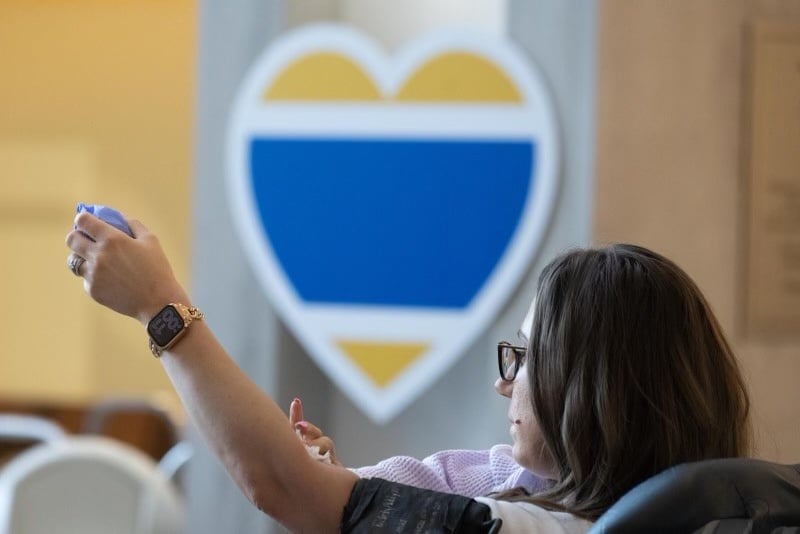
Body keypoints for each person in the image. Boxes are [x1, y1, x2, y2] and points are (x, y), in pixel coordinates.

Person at [65, 209, 751, 532]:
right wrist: (341, 490)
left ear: (597, 391)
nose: (503, 384)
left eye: (525, 358)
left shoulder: (543, 530)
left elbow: (281, 487)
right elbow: (343, 492)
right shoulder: (694, 510)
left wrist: (163, 311)